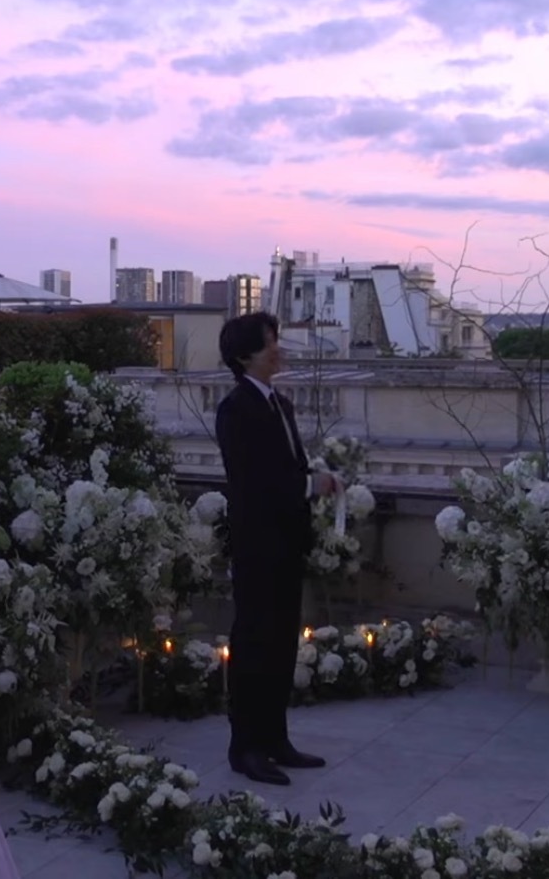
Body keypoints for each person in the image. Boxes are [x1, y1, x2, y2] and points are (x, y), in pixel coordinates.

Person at [214, 311, 338, 786]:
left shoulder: (280, 405)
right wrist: (309, 486)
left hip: (288, 542)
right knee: (254, 644)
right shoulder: (235, 410)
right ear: (245, 354)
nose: (278, 349)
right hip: (257, 546)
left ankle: (275, 738)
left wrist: (314, 483)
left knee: (283, 642)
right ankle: (244, 747)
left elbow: (290, 468)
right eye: (269, 342)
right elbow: (254, 481)